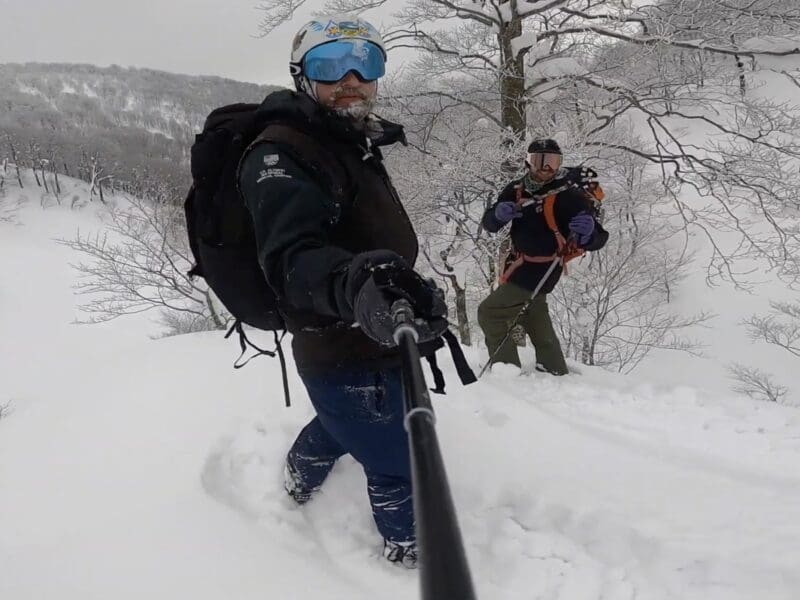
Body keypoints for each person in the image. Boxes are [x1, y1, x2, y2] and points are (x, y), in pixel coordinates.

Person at [236, 15, 448, 568]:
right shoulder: (281, 154)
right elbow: (291, 258)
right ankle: (411, 547)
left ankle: (299, 474)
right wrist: (356, 284)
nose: (351, 79)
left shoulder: (347, 139)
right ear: (303, 77)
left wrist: (397, 288)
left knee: (348, 422)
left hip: (379, 329)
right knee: (397, 458)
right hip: (338, 344)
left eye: (366, 63)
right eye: (331, 65)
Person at [478, 139, 608, 375]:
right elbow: (490, 224)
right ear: (529, 162)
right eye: (540, 160)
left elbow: (598, 237)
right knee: (534, 312)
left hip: (543, 268)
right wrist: (496, 216)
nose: (546, 168)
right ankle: (552, 366)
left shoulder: (568, 195)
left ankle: (505, 368)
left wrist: (589, 234)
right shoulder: (516, 189)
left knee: (490, 312)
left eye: (553, 162)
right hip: (518, 263)